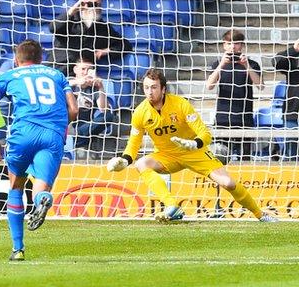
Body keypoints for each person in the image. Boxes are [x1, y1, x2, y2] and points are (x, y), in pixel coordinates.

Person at [106, 68, 277, 223]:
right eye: (146, 87)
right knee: (141, 163)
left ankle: (260, 215)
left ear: (163, 89)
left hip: (195, 153)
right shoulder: (140, 112)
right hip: (167, 156)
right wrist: (125, 160)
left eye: (154, 87)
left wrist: (194, 143)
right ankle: (172, 206)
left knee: (228, 183)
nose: (149, 92)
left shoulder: (180, 104)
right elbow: (133, 143)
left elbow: (206, 134)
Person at [0, 40, 78, 261]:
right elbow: (74, 109)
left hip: (23, 135)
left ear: (16, 59)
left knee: (16, 186)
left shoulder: (10, 75)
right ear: (41, 58)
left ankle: (18, 249)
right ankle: (42, 198)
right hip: (52, 136)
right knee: (41, 186)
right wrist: (59, 124)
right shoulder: (57, 75)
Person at [206, 29, 262, 160]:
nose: (233, 46)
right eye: (229, 43)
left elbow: (260, 85)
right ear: (224, 45)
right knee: (221, 158)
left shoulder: (252, 64)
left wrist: (246, 66)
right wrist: (221, 64)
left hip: (244, 118)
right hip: (223, 119)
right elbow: (209, 86)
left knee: (245, 159)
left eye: (236, 43)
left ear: (242, 45)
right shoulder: (217, 64)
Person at [48, 0, 132, 77]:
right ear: (81, 5)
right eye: (90, 4)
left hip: (84, 76)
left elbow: (125, 45)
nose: (94, 8)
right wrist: (72, 10)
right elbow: (53, 28)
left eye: (97, 5)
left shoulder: (103, 28)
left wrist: (105, 51)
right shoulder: (69, 21)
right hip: (58, 70)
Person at [68, 57, 114, 150]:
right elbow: (58, 87)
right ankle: (76, 139)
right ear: (75, 69)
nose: (85, 72)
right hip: (67, 125)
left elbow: (103, 109)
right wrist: (77, 82)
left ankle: (78, 138)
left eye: (89, 69)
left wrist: (101, 87)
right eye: (83, 69)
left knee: (108, 116)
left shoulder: (94, 88)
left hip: (85, 127)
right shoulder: (67, 82)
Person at [272, 37, 299, 159]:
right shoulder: (293, 58)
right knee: (291, 152)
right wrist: (294, 49)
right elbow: (276, 62)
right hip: (292, 111)